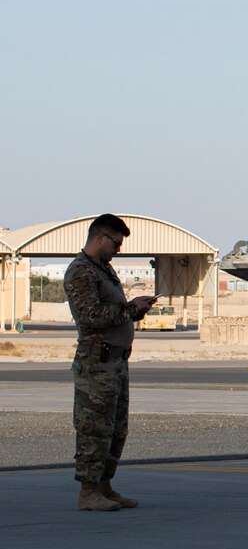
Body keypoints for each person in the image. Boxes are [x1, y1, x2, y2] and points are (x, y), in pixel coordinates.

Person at [63, 213, 155, 512]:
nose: (119, 249)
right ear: (100, 237)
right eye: (116, 243)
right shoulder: (81, 272)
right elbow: (90, 316)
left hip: (115, 362)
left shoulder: (104, 270)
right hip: (96, 363)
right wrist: (129, 309)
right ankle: (88, 491)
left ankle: (104, 485)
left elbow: (112, 311)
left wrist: (135, 311)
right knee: (94, 429)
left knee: (116, 429)